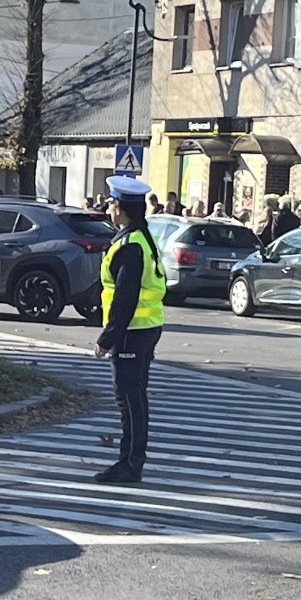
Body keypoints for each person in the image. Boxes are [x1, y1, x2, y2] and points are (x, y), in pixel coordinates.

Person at [93, 176, 166, 484]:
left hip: (132, 330)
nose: (108, 208)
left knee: (129, 398)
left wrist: (107, 338)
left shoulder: (130, 245)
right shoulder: (140, 237)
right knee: (134, 396)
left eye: (111, 203)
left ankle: (130, 463)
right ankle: (130, 460)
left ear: (120, 208)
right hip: (143, 327)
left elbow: (125, 296)